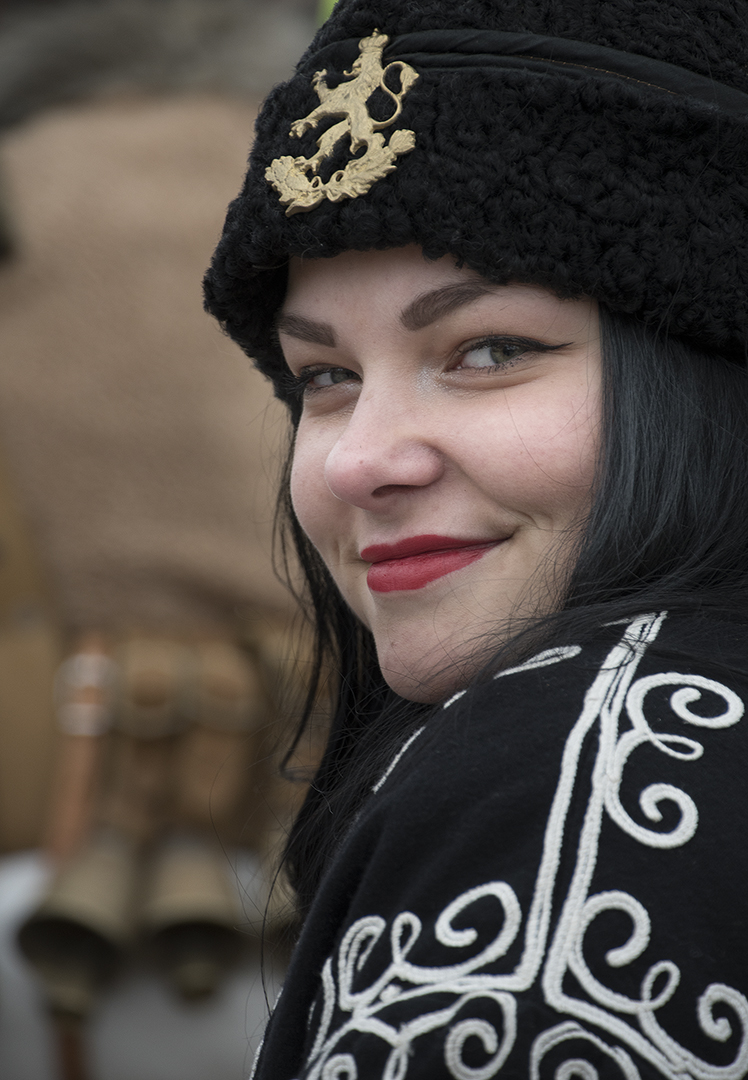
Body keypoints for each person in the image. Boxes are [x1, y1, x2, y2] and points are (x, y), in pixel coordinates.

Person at [203, 0, 748, 1075]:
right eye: (325, 376)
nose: (358, 462)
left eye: (488, 351)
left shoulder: (560, 800)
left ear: (704, 377)